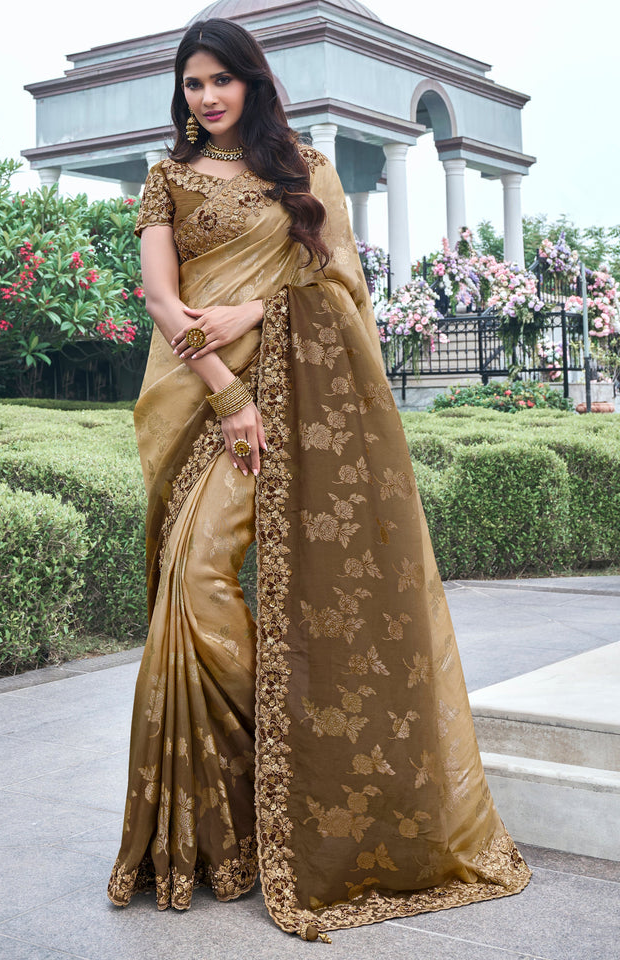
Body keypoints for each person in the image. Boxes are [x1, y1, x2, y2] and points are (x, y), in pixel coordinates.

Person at [107, 17, 531, 942]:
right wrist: (226, 396)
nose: (207, 97)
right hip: (207, 404)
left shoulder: (304, 170)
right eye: (192, 84)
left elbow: (340, 282)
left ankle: (306, 750)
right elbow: (160, 297)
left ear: (254, 84)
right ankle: (289, 756)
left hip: (301, 400)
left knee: (208, 581)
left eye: (222, 80)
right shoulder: (168, 179)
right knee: (195, 580)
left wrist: (258, 303)